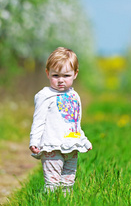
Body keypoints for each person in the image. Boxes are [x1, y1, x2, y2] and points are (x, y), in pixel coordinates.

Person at [29, 47, 92, 193]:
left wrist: (83, 140)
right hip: (52, 147)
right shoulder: (45, 95)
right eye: (56, 75)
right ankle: (50, 202)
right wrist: (34, 141)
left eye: (66, 75)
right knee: (52, 184)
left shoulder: (74, 96)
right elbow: (38, 120)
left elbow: (75, 123)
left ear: (75, 74)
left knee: (67, 184)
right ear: (47, 73)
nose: (61, 80)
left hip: (72, 146)